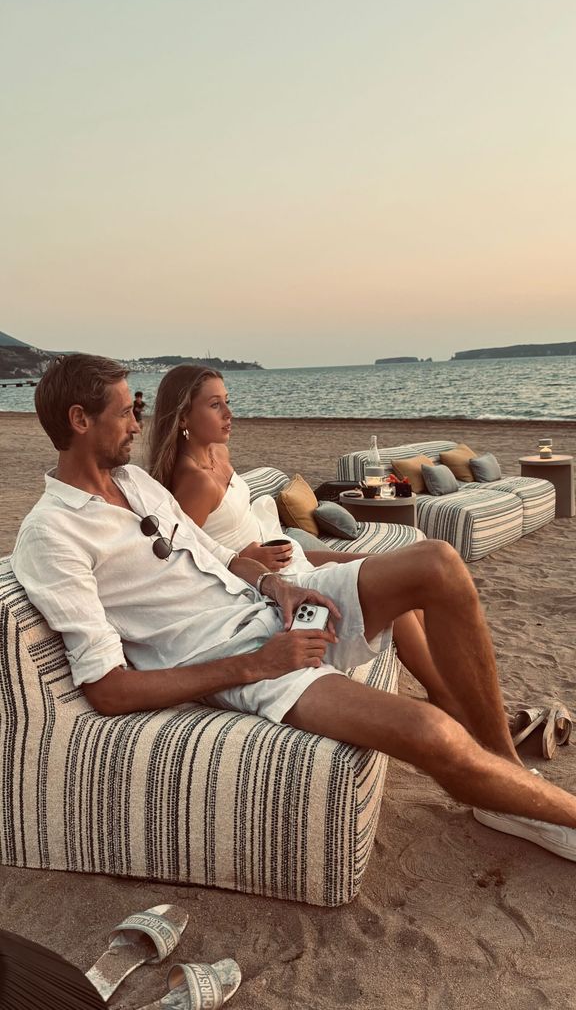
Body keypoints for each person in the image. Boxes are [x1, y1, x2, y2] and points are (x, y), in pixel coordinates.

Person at [11, 353, 576, 863]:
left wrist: (277, 586)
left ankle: (506, 777)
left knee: (438, 563)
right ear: (80, 420)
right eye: (123, 411)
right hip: (242, 656)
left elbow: (221, 555)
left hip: (271, 611)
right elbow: (107, 689)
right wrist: (256, 665)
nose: (138, 422)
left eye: (137, 407)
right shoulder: (53, 534)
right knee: (431, 732)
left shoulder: (135, 482)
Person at [147, 363, 438, 686]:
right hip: (261, 581)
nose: (229, 413)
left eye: (228, 400)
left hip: (285, 554)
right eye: (215, 405)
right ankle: (445, 694)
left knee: (394, 571)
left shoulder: (219, 452)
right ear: (183, 417)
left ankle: (442, 683)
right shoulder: (194, 482)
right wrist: (248, 559)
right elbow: (185, 563)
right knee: (394, 592)